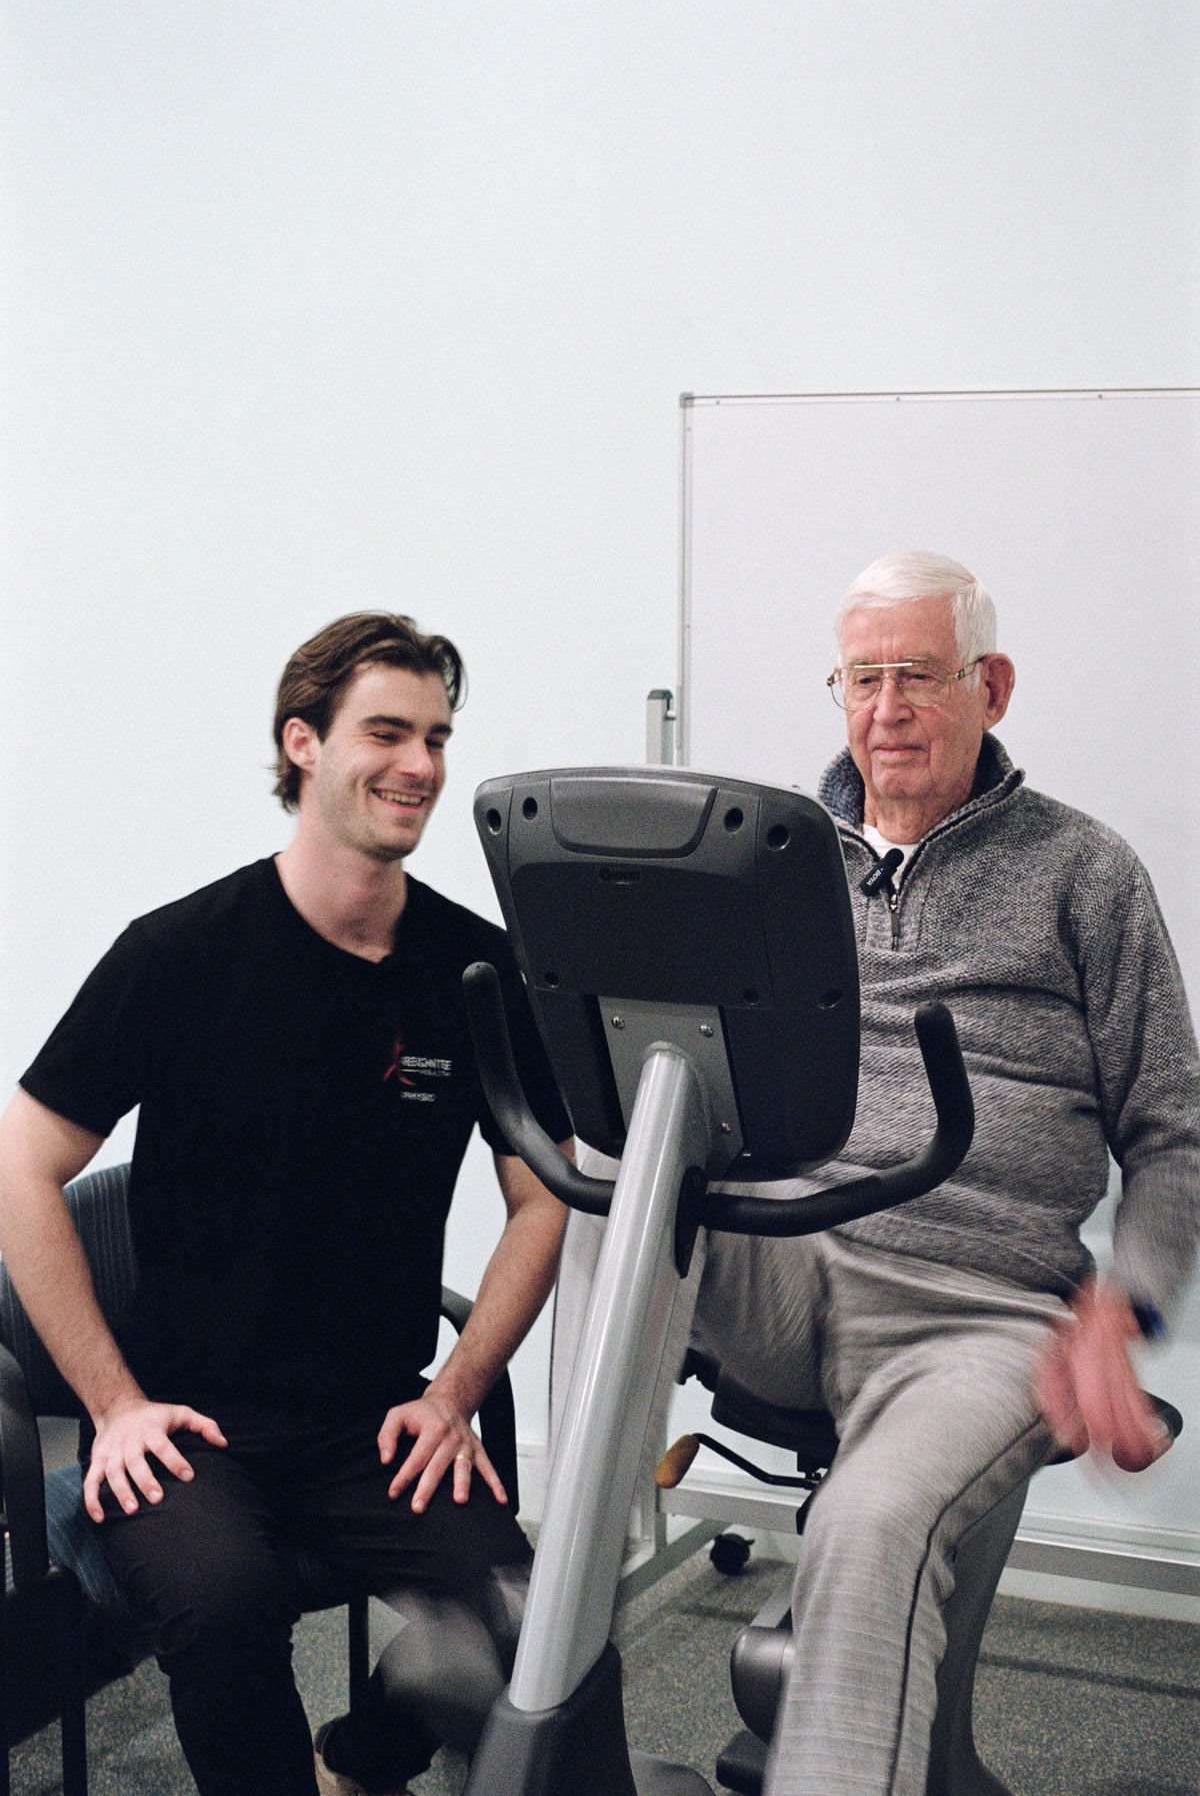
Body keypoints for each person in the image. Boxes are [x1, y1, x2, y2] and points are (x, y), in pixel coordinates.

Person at [0, 612, 573, 1796]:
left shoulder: (474, 972)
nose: (419, 764)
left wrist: (457, 1390)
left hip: (375, 1422)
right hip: (190, 1426)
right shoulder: (181, 953)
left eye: (437, 736)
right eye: (387, 731)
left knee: (537, 1621)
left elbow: (545, 1195)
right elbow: (19, 1167)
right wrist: (112, 1407)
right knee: (225, 1602)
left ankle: (359, 1758)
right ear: (302, 742)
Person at [688, 550, 1200, 1796]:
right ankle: (541, 1636)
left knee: (873, 1531)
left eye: (918, 674)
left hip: (980, 1307)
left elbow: (1175, 1133)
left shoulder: (1086, 873)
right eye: (861, 677)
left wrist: (1122, 1303)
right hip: (793, 1261)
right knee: (616, 1146)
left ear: (993, 687)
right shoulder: (773, 861)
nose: (886, 708)